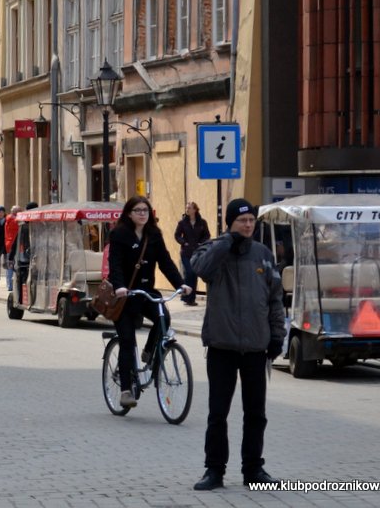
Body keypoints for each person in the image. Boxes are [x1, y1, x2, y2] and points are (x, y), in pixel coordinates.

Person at [190, 198, 285, 490]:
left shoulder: (263, 254)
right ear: (230, 223)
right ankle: (214, 470)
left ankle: (253, 469)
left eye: (251, 220)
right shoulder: (214, 249)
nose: (247, 225)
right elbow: (200, 268)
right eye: (242, 220)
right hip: (222, 345)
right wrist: (226, 243)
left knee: (256, 414)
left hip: (256, 347)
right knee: (218, 413)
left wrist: (277, 335)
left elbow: (275, 298)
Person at [109, 196, 191, 409]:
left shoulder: (153, 235)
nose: (142, 214)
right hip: (125, 296)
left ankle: (148, 351)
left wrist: (180, 284)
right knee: (127, 341)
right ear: (129, 213)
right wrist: (119, 286)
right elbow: (114, 264)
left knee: (164, 318)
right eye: (137, 210)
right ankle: (126, 391)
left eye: (145, 210)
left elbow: (165, 262)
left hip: (146, 292)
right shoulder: (119, 234)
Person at [174, 201, 211, 306]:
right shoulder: (182, 223)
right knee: (189, 272)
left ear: (195, 210)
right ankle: (186, 296)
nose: (187, 210)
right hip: (186, 252)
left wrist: (201, 243)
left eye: (189, 208)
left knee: (193, 274)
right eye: (186, 208)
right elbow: (177, 235)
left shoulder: (202, 222)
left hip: (197, 252)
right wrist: (183, 242)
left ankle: (191, 299)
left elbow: (207, 235)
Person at [4, 205, 21, 291]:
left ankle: (10, 284)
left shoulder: (8, 219)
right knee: (12, 265)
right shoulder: (13, 220)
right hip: (13, 245)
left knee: (10, 266)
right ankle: (10, 285)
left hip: (10, 244)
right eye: (19, 211)